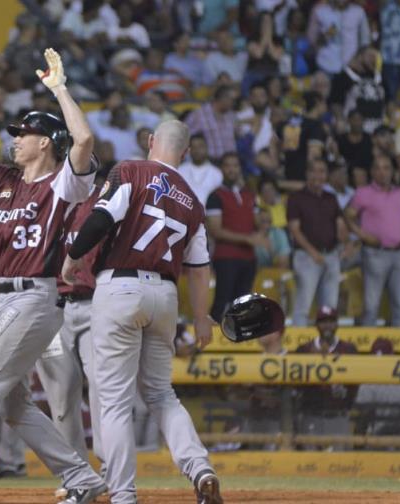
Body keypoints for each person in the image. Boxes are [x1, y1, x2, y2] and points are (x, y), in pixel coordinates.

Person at [0, 49, 105, 504]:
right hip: (10, 300)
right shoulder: (4, 181)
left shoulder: (64, 183)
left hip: (35, 296)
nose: (15, 140)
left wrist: (60, 90)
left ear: (46, 142)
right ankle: (83, 479)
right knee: (13, 404)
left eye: (24, 134)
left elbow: (84, 140)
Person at [61, 120, 222, 504]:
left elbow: (100, 218)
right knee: (162, 394)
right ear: (184, 153)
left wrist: (72, 257)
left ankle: (123, 495)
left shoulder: (130, 169)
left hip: (120, 285)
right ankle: (200, 469)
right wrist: (201, 318)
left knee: (114, 400)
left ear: (151, 141)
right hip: (165, 294)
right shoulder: (193, 200)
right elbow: (200, 269)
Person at [35, 165, 109, 470]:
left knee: (103, 389)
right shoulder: (46, 201)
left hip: (96, 306)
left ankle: (111, 467)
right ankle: (76, 474)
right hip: (52, 310)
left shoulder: (105, 200)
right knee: (61, 396)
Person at [345, 156, 400, 326]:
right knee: (372, 305)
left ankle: (397, 347)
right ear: (372, 172)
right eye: (378, 168)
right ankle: (370, 348)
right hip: (374, 253)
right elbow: (348, 217)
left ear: (392, 171)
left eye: (386, 168)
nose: (382, 172)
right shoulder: (363, 193)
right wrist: (363, 235)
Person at [287, 158, 346, 325]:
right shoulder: (296, 198)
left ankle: (327, 347)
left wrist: (345, 243)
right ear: (307, 173)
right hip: (306, 257)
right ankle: (298, 347)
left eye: (322, 171)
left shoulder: (331, 198)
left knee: (329, 308)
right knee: (302, 307)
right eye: (314, 171)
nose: (318, 175)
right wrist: (313, 252)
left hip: (331, 255)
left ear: (326, 175)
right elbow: (294, 230)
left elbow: (340, 224)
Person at [205, 153, 262, 322]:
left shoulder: (249, 194)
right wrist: (246, 239)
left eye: (235, 166)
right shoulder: (215, 196)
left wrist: (263, 228)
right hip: (226, 258)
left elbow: (258, 222)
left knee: (242, 305)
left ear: (240, 169)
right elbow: (216, 231)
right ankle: (212, 344)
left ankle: (237, 341)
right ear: (222, 169)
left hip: (249, 258)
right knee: (221, 302)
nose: (232, 169)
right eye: (228, 166)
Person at [295, 306, 357, 449]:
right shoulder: (304, 350)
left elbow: (355, 386)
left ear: (337, 324)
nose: (327, 325)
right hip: (311, 414)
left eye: (331, 321)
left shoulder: (349, 349)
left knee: (340, 465)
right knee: (309, 464)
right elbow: (296, 385)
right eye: (323, 321)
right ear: (316, 324)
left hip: (338, 415)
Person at [327, 46, 384, 134]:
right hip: (353, 130)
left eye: (376, 57)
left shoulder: (379, 77)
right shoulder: (342, 77)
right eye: (371, 56)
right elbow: (335, 102)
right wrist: (340, 119)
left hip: (377, 130)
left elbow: (388, 101)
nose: (374, 59)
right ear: (359, 56)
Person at [307, 0, 370, 76]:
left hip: (351, 66)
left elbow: (365, 41)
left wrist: (357, 59)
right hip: (326, 65)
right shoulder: (320, 11)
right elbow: (312, 41)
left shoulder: (358, 12)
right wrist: (327, 35)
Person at [185, 86, 237, 162]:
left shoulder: (231, 115)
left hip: (230, 163)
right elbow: (184, 136)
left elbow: (238, 133)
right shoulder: (199, 115)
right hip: (209, 162)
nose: (234, 103)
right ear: (223, 98)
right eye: (232, 100)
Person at [178, 134, 223, 207]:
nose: (197, 150)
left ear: (207, 148)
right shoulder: (180, 170)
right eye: (193, 147)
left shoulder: (217, 173)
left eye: (200, 146)